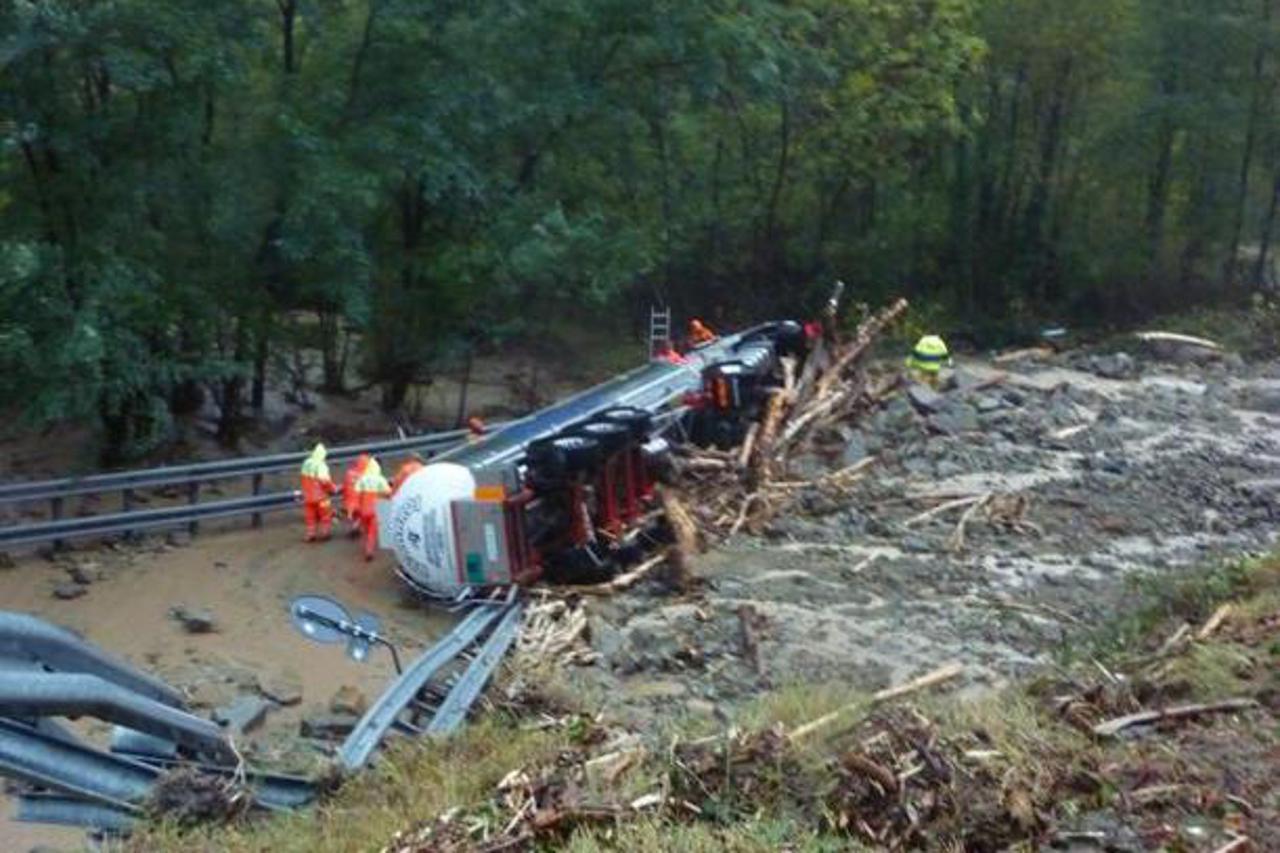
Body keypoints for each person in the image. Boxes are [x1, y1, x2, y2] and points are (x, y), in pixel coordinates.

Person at [354, 457, 392, 562]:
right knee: (372, 531)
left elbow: (356, 492)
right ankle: (369, 551)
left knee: (366, 530)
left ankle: (367, 545)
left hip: (363, 510)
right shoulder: (380, 479)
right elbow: (388, 493)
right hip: (375, 510)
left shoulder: (362, 478)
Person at [299, 443, 336, 542]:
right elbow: (325, 481)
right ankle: (325, 532)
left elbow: (302, 479)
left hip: (308, 497)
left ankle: (310, 534)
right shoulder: (321, 465)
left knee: (310, 517)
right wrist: (333, 489)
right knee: (325, 515)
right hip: (322, 498)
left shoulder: (306, 463)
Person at [342, 453, 370, 538]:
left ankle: (354, 528)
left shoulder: (349, 473)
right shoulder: (366, 475)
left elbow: (345, 486)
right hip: (360, 502)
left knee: (354, 516)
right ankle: (356, 528)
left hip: (348, 502)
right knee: (362, 516)